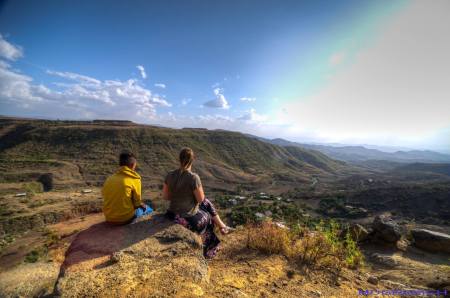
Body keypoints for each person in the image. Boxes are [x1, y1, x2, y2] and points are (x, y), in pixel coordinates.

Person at [163, 147, 230, 258]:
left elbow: (166, 196)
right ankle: (210, 247)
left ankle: (221, 228)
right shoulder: (194, 177)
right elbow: (201, 200)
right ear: (192, 160)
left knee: (205, 207)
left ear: (179, 159)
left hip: (171, 215)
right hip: (187, 217)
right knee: (207, 214)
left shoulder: (169, 175)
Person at [102, 150, 153, 224]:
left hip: (109, 217)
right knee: (148, 208)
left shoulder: (109, 179)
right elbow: (137, 204)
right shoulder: (134, 178)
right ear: (133, 165)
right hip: (125, 219)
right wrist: (141, 205)